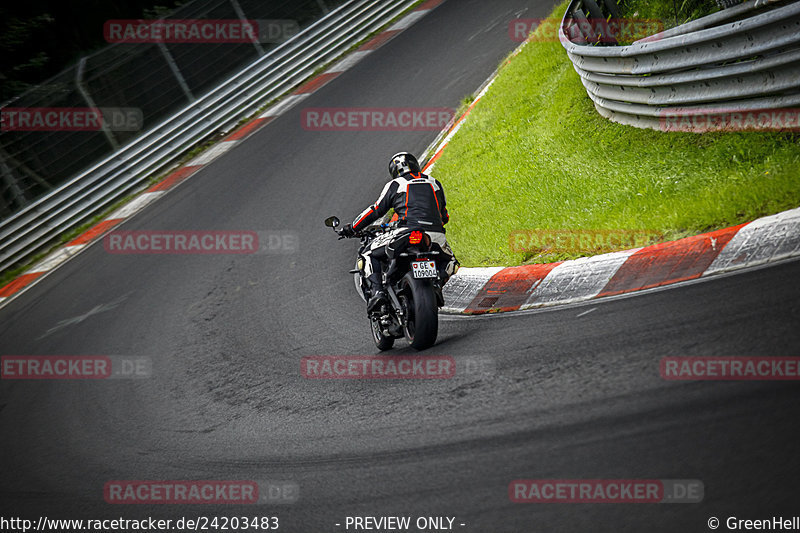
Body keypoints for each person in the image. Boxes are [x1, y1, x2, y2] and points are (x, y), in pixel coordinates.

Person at [341, 152, 458, 311]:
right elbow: (444, 215)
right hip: (435, 235)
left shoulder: (396, 184)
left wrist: (352, 227)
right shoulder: (434, 182)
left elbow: (376, 210)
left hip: (406, 231)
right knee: (452, 263)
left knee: (368, 253)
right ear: (415, 165)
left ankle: (378, 293)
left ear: (394, 171)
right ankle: (436, 284)